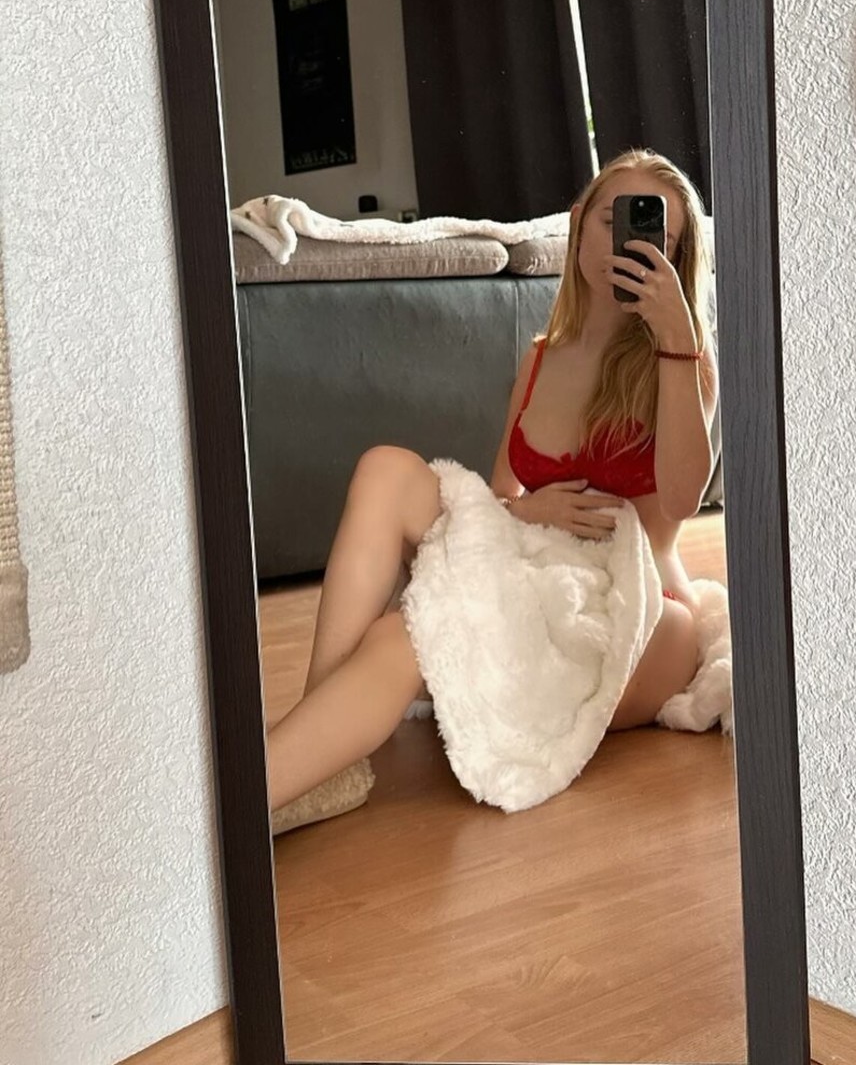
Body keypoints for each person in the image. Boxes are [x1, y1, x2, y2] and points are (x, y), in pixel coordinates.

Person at [267, 148, 719, 818]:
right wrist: (533, 509)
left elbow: (682, 500)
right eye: (612, 220)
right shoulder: (541, 360)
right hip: (537, 567)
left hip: (639, 610)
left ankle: (241, 807)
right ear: (578, 225)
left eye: (659, 235)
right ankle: (311, 752)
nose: (630, 244)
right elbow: (504, 496)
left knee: (412, 632)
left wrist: (676, 335)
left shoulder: (682, 362)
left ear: (676, 260)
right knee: (385, 472)